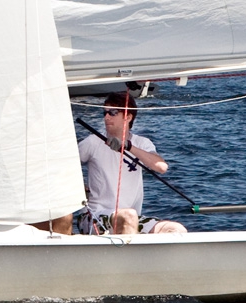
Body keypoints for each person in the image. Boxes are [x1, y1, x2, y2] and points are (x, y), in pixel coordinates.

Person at [76, 92, 186, 236]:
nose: (106, 117)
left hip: (130, 218)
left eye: (113, 112)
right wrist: (78, 186)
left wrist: (127, 146)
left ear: (128, 117)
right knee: (128, 216)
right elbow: (64, 165)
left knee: (176, 229)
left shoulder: (142, 143)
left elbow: (161, 167)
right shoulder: (92, 142)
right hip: (95, 217)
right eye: (105, 112)